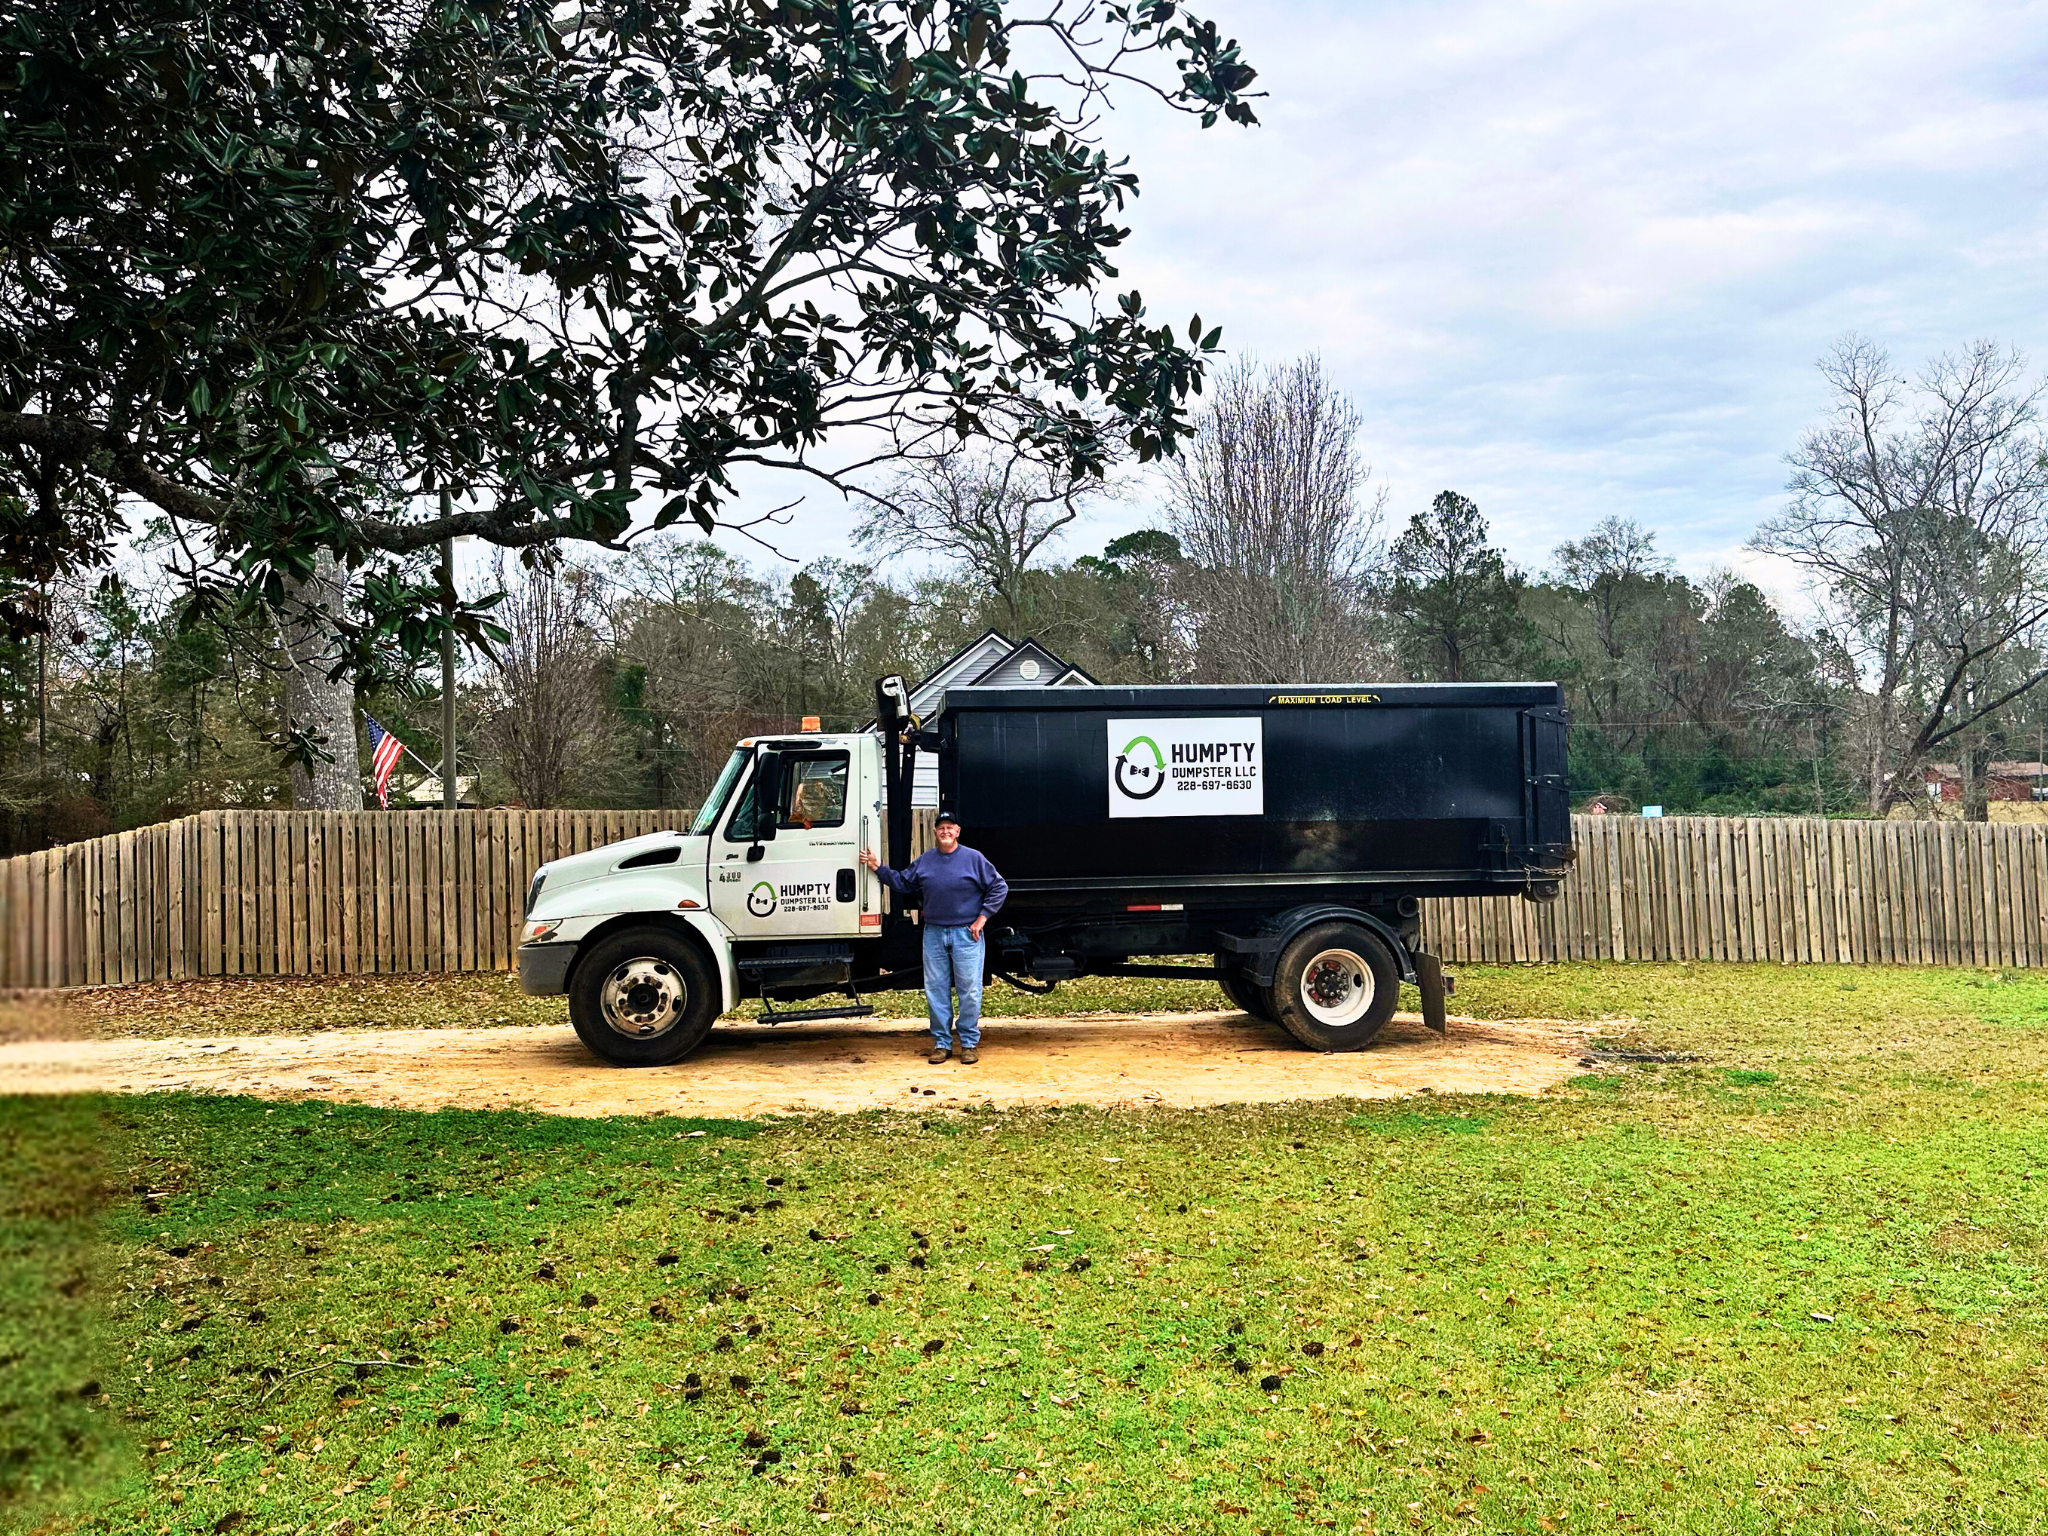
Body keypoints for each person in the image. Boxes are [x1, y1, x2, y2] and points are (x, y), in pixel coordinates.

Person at [860, 811, 1007, 1065]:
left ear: (958, 831)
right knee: (936, 990)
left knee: (969, 991)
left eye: (950, 827)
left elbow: (999, 887)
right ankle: (941, 1043)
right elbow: (903, 882)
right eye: (941, 828)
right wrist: (876, 866)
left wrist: (982, 919)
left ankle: (969, 1043)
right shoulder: (926, 860)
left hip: (966, 933)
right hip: (934, 933)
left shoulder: (974, 859)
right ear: (935, 832)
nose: (945, 831)